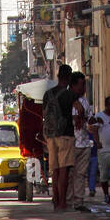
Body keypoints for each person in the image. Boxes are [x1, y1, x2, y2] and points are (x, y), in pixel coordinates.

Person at [42, 64, 75, 212]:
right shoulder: (69, 95)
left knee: (54, 170)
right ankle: (63, 202)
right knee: (64, 171)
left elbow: (44, 114)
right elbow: (80, 109)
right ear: (68, 77)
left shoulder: (47, 94)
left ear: (58, 76)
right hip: (65, 135)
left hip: (50, 136)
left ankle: (55, 201)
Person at [68, 72, 94, 212]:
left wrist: (91, 120)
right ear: (73, 85)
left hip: (84, 142)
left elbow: (89, 119)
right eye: (81, 84)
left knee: (81, 174)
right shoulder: (66, 100)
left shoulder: (84, 101)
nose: (84, 87)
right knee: (69, 173)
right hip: (71, 142)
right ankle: (66, 200)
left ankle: (78, 201)